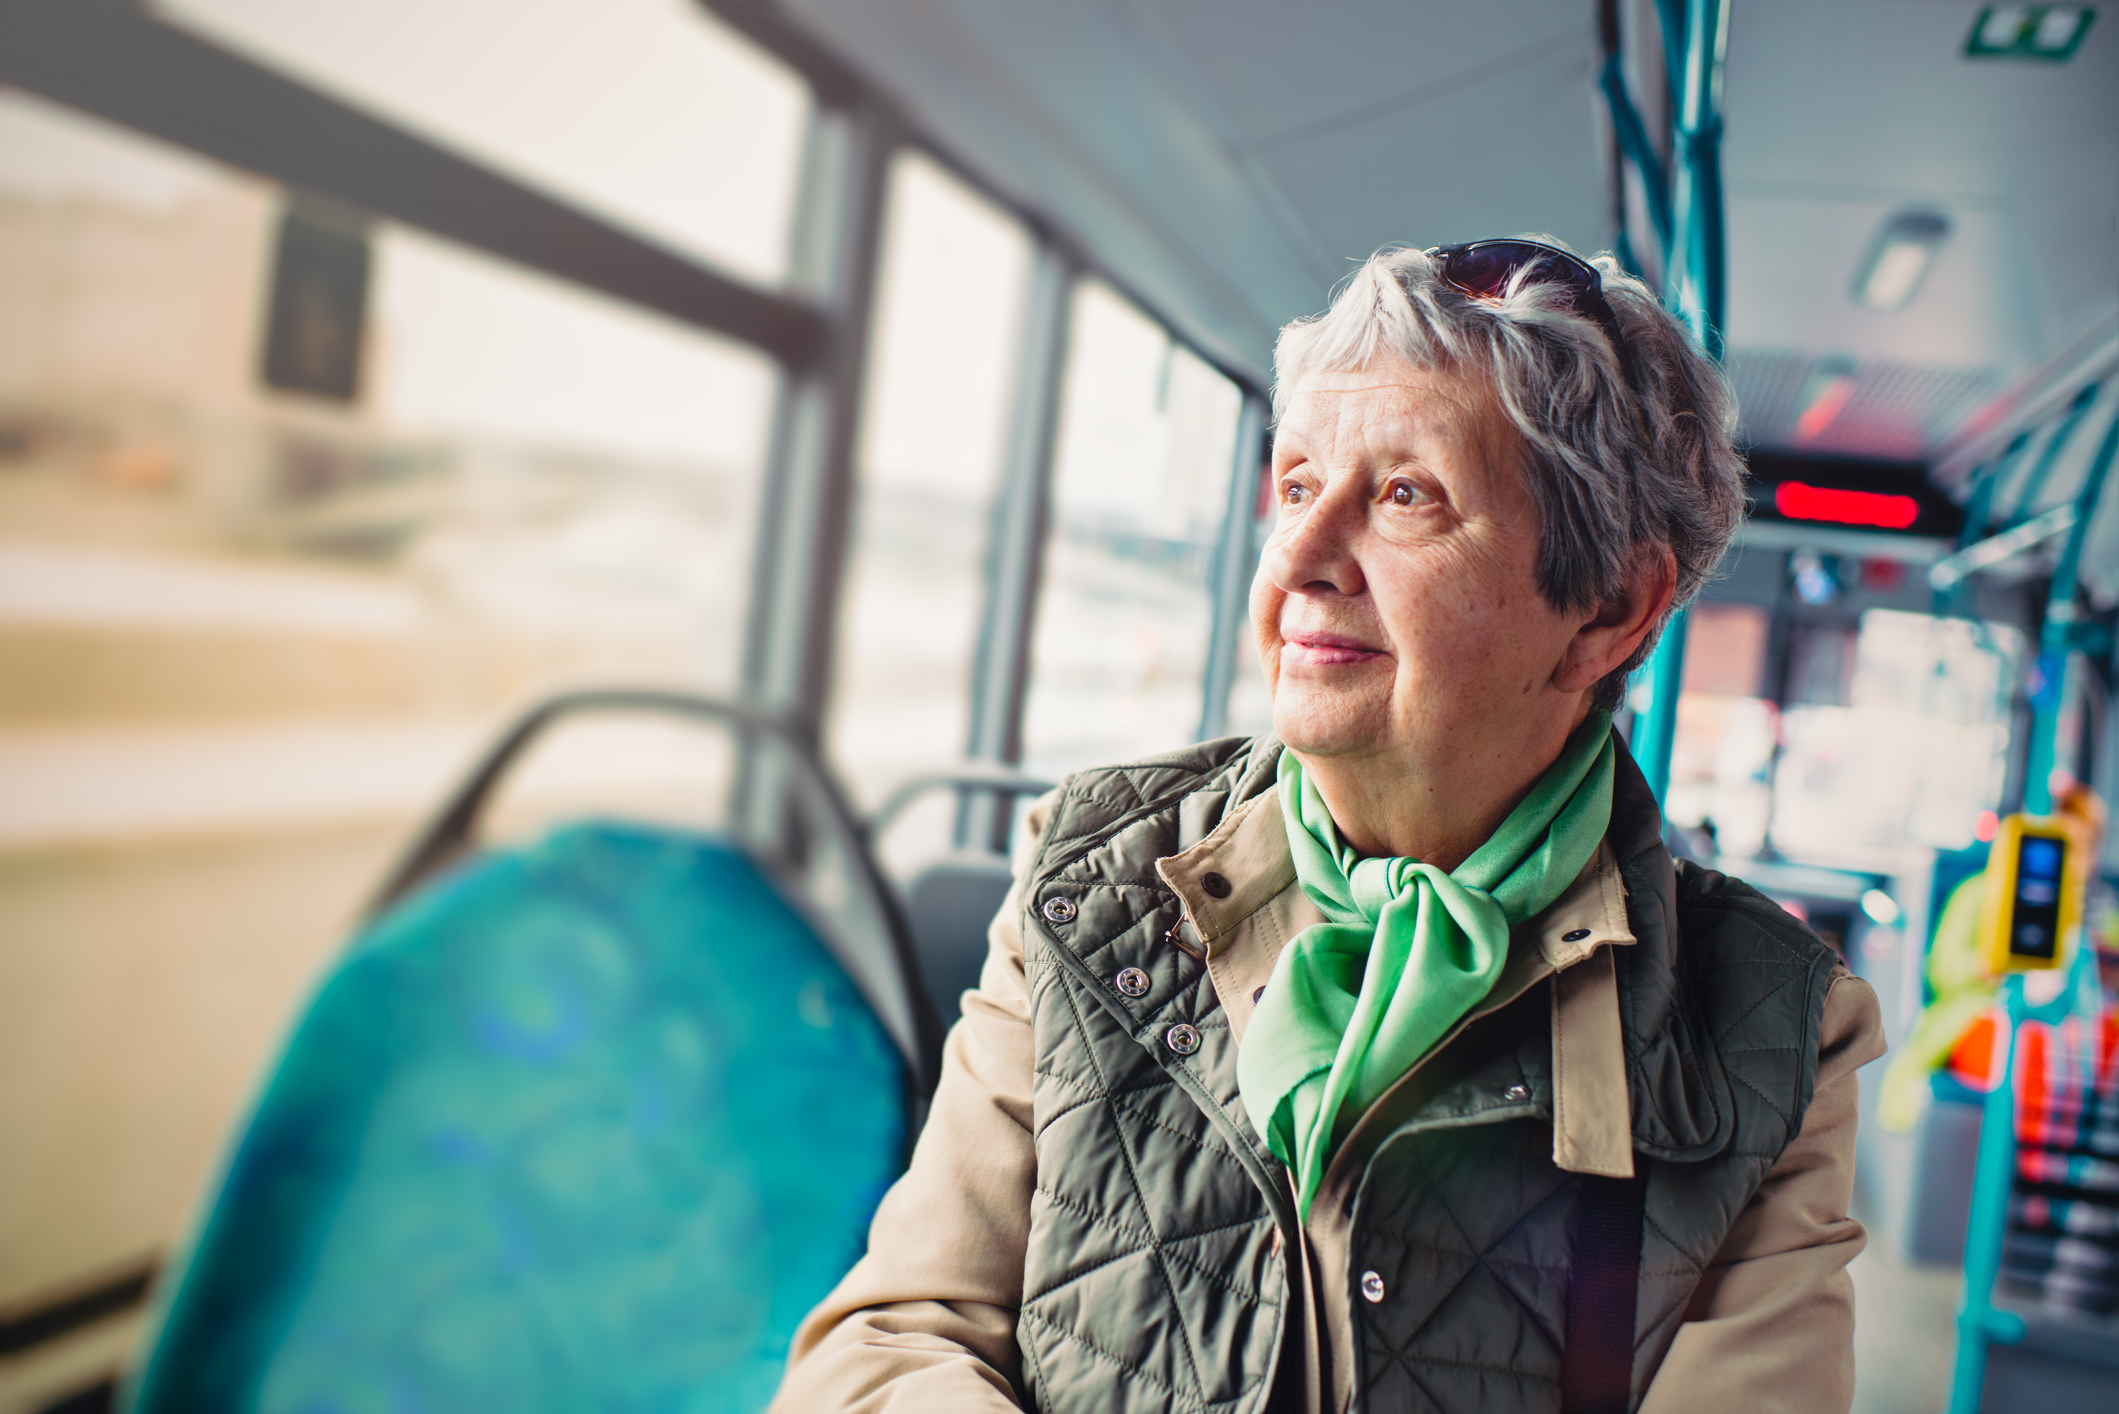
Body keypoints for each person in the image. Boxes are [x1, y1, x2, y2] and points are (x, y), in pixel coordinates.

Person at [773, 240, 1887, 1413]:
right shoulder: (1093, 872)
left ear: (1608, 608)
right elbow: (895, 1335)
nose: (1298, 557)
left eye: (1407, 495)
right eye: (1297, 484)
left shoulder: (1770, 1030)